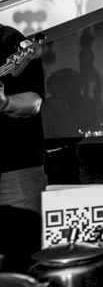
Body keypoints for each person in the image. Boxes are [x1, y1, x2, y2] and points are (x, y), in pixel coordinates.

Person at [0, 24, 48, 272]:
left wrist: (5, 102)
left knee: (23, 260)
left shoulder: (11, 41)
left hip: (14, 169)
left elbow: (34, 101)